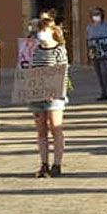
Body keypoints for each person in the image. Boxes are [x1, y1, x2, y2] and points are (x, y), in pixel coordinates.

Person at [30, 17, 70, 178]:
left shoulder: (59, 50)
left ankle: (57, 164)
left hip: (54, 96)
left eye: (44, 30)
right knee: (41, 131)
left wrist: (57, 91)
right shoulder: (36, 49)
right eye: (39, 30)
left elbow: (63, 72)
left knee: (55, 127)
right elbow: (32, 70)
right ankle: (44, 164)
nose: (41, 33)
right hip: (38, 96)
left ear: (52, 31)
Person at [86, 7, 107, 101]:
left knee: (105, 73)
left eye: (97, 13)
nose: (95, 16)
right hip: (94, 51)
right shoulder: (89, 26)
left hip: (104, 51)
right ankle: (103, 92)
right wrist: (88, 55)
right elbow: (87, 40)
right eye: (94, 14)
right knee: (98, 73)